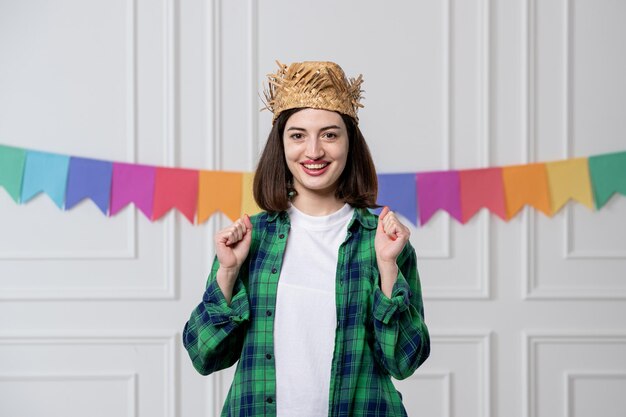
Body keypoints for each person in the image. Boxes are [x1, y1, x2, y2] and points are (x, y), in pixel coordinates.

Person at [183, 61, 430, 416]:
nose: (313, 151)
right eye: (298, 135)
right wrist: (227, 273)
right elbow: (204, 355)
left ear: (349, 143)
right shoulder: (250, 239)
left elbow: (404, 361)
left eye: (329, 134)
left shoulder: (383, 242)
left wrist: (388, 267)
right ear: (281, 145)